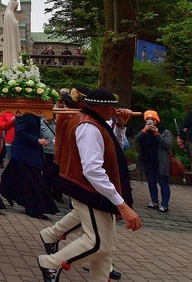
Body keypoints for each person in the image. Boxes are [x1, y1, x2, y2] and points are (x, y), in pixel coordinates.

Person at [37, 89, 141, 282]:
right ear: (101, 107)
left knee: (106, 249)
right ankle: (51, 262)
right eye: (112, 107)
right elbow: (92, 170)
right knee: (98, 244)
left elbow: (113, 150)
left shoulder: (95, 122)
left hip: (96, 190)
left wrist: (119, 126)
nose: (115, 111)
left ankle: (52, 240)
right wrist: (122, 204)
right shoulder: (88, 126)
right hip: (90, 190)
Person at [136, 110, 172, 213]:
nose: (150, 121)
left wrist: (157, 133)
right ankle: (154, 201)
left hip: (161, 161)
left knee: (163, 183)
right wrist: (144, 131)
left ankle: (164, 204)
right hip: (148, 160)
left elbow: (167, 144)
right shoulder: (142, 130)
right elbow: (137, 139)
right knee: (151, 182)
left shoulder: (165, 131)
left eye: (152, 119)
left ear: (157, 120)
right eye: (148, 119)